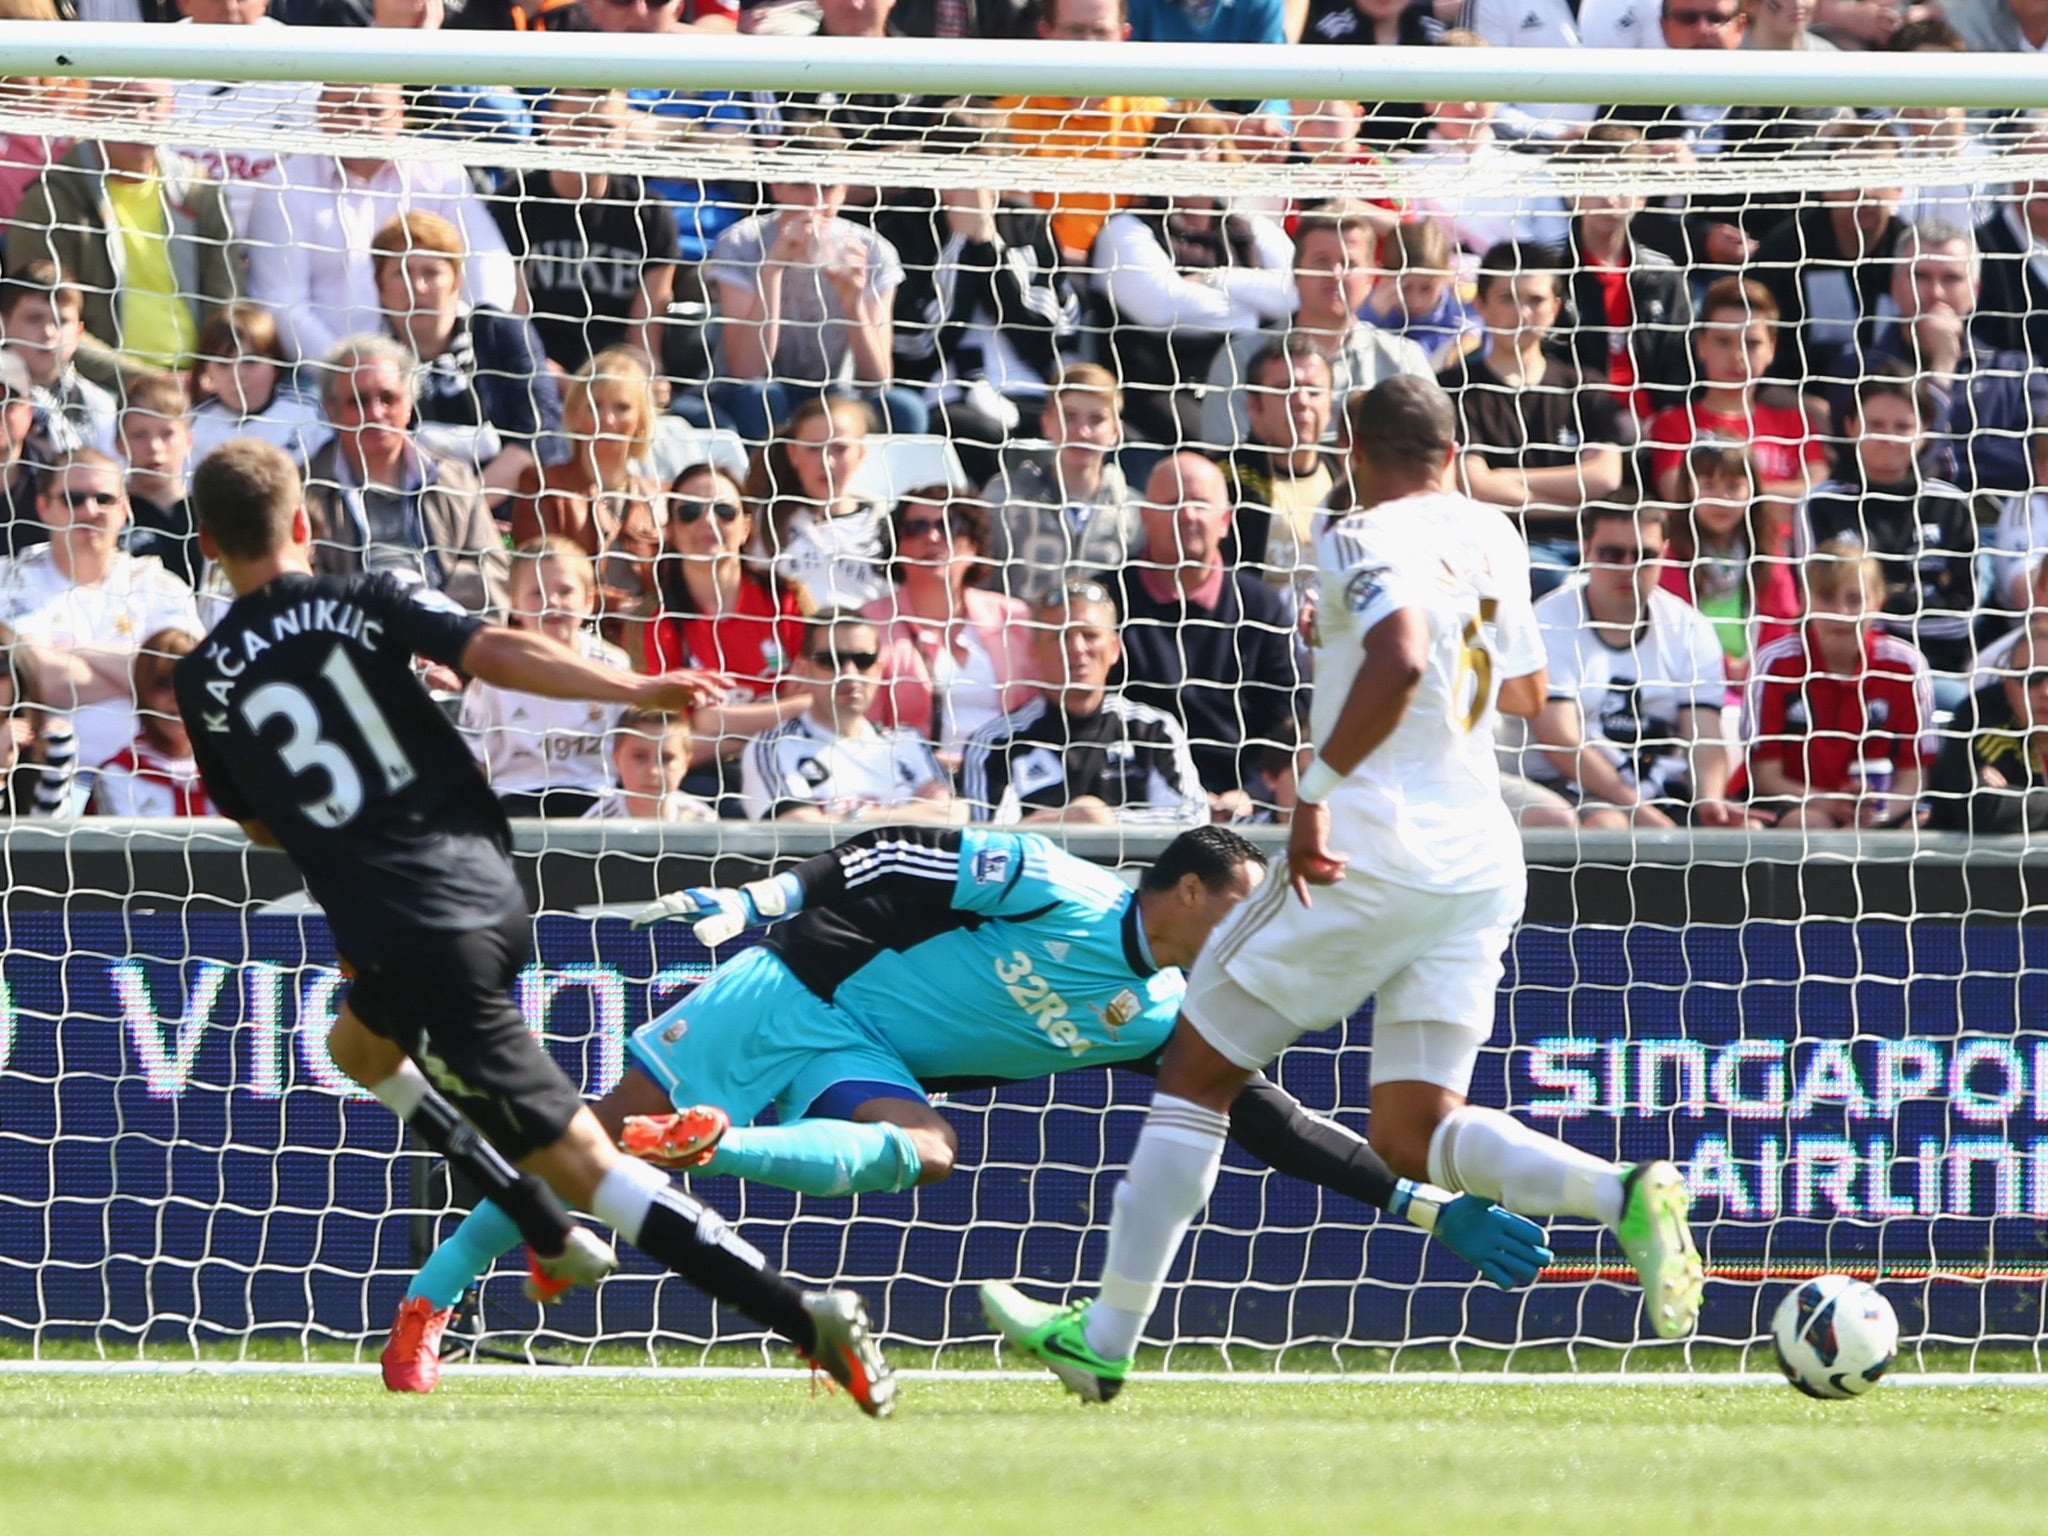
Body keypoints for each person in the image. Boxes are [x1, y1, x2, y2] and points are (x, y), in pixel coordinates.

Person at [981, 377, 1703, 1403]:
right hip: (1478, 859)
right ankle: (1619, 1191)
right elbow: (1526, 693)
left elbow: (1402, 657)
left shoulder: (1359, 533)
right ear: (1451, 453)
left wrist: (1314, 789)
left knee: (1193, 1068)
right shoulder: (1495, 538)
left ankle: (1103, 1339)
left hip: (1369, 848)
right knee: (1410, 1131)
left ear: (1355, 449)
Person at [174, 437, 893, 1415]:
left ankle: (795, 1311)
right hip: (484, 889)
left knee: (589, 1171)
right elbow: (498, 648)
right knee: (356, 1042)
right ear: (303, 522)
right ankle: (539, 1228)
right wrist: (630, 687)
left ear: (207, 541)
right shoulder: (363, 594)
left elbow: (260, 821)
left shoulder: (204, 677)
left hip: (419, 929)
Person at [387, 824, 1550, 1393]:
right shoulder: (1054, 882)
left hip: (862, 1052)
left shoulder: (1160, 1014)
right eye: (1239, 911)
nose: (1250, 937)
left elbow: (1263, 1123)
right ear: (1184, 890)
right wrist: (766, 891)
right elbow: (896, 854)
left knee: (925, 1149)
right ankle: (426, 1313)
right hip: (790, 986)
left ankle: (718, 1145)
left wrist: (1418, 1202)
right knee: (573, 1144)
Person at [246, 81, 517, 364]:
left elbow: (488, 265)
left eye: (375, 110)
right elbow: (281, 306)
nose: (362, 121)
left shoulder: (440, 170)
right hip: (326, 379)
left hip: (445, 363)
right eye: (347, 108)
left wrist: (484, 343)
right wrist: (353, 373)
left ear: (399, 113)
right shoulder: (282, 187)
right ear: (321, 111)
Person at [6, 77, 237, 387]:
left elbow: (228, 303)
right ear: (90, 107)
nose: (138, 117)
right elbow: (41, 327)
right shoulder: (50, 200)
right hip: (95, 389)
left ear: (171, 107)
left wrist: (210, 376)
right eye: (122, 101)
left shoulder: (200, 189)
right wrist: (150, 382)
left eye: (150, 103)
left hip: (205, 389)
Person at [1523, 502, 1742, 829]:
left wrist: (1710, 800)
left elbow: (1704, 734)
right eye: (1613, 553)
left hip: (1662, 787)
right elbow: (1561, 742)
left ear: (1664, 553)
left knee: (1743, 832)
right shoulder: (1548, 621)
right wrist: (1639, 811)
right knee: (1610, 828)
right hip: (1571, 785)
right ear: (1587, 550)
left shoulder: (1688, 625)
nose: (1628, 567)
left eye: (1643, 555)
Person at [703, 124, 924, 442]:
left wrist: (852, 303)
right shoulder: (742, 242)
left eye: (829, 187)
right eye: (802, 185)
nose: (815, 202)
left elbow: (877, 379)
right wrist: (773, 270)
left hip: (837, 395)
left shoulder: (873, 251)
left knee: (904, 409)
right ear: (777, 187)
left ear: (844, 190)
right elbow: (747, 370)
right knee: (762, 397)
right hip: (752, 392)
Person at [1108, 452, 1301, 814]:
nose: (1188, 516)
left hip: (1243, 804)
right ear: (1145, 517)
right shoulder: (1111, 602)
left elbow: (1287, 720)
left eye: (1199, 504)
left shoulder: (1261, 607)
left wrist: (1254, 791)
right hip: (1138, 803)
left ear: (1226, 520)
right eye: (1173, 503)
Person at [1089, 109, 1295, 447]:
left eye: (1201, 145)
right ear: (1153, 155)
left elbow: (1296, 291)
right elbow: (1163, 307)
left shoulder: (1246, 227)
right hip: (1161, 387)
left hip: (1245, 380)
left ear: (1221, 154)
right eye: (1175, 145)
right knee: (1217, 443)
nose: (1188, 157)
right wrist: (1256, 308)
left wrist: (1217, 279)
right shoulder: (1127, 228)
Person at [0, 448, 203, 779]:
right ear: (43, 507)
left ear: (124, 509)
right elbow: (34, 682)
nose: (89, 510)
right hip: (39, 785)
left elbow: (186, 679)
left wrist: (78, 652)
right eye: (73, 498)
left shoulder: (159, 584)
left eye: (104, 499)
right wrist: (145, 674)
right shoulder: (10, 579)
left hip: (152, 784)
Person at [1437, 241, 1627, 589]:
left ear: (1555, 308)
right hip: (1497, 552)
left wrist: (1507, 478)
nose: (1523, 313)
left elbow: (1605, 476)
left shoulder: (1584, 385)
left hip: (1588, 549)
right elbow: (1477, 486)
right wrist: (1574, 502)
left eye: (1535, 300)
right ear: (1480, 305)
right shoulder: (1455, 388)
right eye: (1507, 298)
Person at [962, 580, 1207, 826]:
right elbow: (990, 845)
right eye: (1060, 636)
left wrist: (1104, 820)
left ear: (1114, 649)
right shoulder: (995, 744)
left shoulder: (1154, 729)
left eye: (1090, 635)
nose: (1077, 649)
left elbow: (1192, 818)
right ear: (1033, 651)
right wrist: (1068, 821)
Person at [301, 333, 510, 616]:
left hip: (446, 643)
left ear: (409, 407)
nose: (375, 412)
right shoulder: (304, 489)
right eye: (358, 401)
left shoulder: (452, 478)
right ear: (331, 411)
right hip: (348, 645)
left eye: (388, 398)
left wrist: (446, 635)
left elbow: (492, 573)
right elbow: (302, 586)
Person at [1200, 207, 1432, 454]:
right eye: (1321, 261)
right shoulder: (1239, 360)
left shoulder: (1404, 361)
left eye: (1349, 263)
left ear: (1371, 278)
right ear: (1296, 274)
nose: (1335, 274)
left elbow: (1430, 455)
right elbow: (1223, 463)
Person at [1739, 538, 1933, 829]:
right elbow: (1764, 775)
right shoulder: (1775, 664)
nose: (1840, 612)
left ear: (1878, 601)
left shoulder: (1905, 666)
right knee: (1811, 825)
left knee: (1919, 825)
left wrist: (1874, 814)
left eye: (1855, 600)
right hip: (1799, 803)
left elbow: (1914, 775)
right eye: (1826, 598)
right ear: (1803, 599)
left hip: (1882, 808)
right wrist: (1829, 803)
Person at [1800, 368, 1978, 683]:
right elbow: (1819, 606)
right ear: (1852, 426)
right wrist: (1917, 600)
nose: (1888, 438)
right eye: (1876, 425)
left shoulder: (1951, 502)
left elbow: (1963, 618)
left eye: (1902, 426)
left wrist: (1876, 605)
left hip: (1938, 669)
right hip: (1844, 667)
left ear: (1923, 432)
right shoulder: (1820, 503)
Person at [372, 210, 560, 507]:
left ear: (456, 281)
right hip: (403, 511)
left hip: (504, 512)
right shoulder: (369, 357)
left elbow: (538, 434)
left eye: (431, 273)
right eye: (402, 273)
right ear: (380, 286)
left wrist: (468, 509)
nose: (417, 286)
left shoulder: (500, 332)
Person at [490, 87, 681, 373]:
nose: (592, 140)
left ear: (624, 133)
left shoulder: (650, 214)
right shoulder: (512, 206)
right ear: (548, 124)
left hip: (617, 380)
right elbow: (517, 332)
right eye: (579, 125)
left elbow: (643, 342)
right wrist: (563, 383)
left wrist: (636, 383)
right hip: (532, 374)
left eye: (606, 128)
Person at [645, 460, 811, 780]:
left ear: (746, 527)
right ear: (670, 531)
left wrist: (713, 722)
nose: (708, 522)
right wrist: (784, 712)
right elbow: (666, 744)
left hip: (793, 764)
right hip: (702, 779)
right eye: (690, 512)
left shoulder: (786, 598)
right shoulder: (654, 619)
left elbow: (820, 704)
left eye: (724, 511)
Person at [861, 490, 1038, 769]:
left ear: (974, 545)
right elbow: (861, 724)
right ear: (897, 545)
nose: (932, 537)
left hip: (1012, 772)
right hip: (911, 778)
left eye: (949, 526)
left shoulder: (1014, 617)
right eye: (916, 528)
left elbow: (1039, 709)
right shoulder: (869, 622)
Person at [459, 538, 632, 818]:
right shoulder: (494, 672)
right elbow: (475, 759)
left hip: (596, 796)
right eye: (536, 593)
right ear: (514, 604)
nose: (551, 602)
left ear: (588, 601)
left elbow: (632, 742)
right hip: (519, 796)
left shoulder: (611, 663)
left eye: (564, 591)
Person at [740, 611, 953, 823]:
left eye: (864, 660)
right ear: (803, 669)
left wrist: (845, 818)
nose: (849, 673)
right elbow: (799, 827)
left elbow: (954, 814)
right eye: (830, 660)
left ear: (879, 669)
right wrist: (915, 813)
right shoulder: (774, 746)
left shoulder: (908, 742)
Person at [507, 347, 662, 637]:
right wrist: (621, 605)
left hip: (648, 637)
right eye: (595, 406)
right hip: (570, 634)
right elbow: (536, 577)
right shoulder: (542, 486)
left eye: (622, 407)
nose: (608, 420)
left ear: (641, 420)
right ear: (575, 414)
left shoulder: (658, 497)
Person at [1645, 278, 1825, 505]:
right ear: (1701, 345)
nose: (1737, 355)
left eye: (1751, 343)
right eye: (1723, 342)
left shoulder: (1796, 424)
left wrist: (1730, 494)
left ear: (1771, 348)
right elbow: (1679, 494)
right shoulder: (1674, 425)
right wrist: (1776, 496)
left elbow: (1817, 489)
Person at [981, 364, 1142, 607]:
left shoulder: (1134, 513)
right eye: (1069, 417)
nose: (1082, 432)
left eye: (1096, 419)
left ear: (1115, 432)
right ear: (1047, 424)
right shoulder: (1003, 498)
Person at [1657, 442, 1798, 678]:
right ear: (1688, 489)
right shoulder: (1671, 551)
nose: (1721, 499)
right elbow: (1672, 624)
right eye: (1708, 486)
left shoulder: (1767, 550)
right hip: (1686, 675)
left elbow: (1782, 619)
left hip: (1756, 676)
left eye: (1733, 487)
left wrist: (1756, 666)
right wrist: (1723, 666)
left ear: (1752, 490)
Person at [1220, 336, 1341, 595]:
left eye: (1314, 390)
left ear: (1330, 402)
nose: (1302, 401)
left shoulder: (1348, 480)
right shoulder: (1224, 481)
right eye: (1285, 389)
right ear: (1253, 405)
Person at [751, 394, 891, 612]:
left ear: (861, 454)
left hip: (864, 640)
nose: (827, 462)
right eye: (814, 448)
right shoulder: (766, 520)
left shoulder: (885, 525)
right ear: (793, 453)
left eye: (840, 449)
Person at [1927, 615, 2048, 834]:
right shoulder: (1979, 715)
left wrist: (2018, 799)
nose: (2046, 692)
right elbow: (1983, 808)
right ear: (2008, 686)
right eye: (2031, 678)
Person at [186, 302, 331, 468]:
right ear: (207, 372)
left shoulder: (307, 413)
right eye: (224, 364)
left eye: (250, 362)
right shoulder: (195, 427)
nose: (238, 375)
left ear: (275, 366)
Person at [0, 264, 118, 462]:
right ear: (3, 325)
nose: (49, 333)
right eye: (34, 319)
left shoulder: (98, 405)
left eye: (61, 321)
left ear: (79, 333)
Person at [89, 629, 213, 817]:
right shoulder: (120, 775)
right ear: (142, 692)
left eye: (187, 683)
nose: (176, 696)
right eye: (163, 684)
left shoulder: (229, 770)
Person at [116, 371, 199, 587]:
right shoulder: (108, 514)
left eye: (167, 434)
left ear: (189, 441)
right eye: (140, 435)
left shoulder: (211, 514)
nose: (154, 447)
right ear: (119, 443)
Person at [581, 707, 716, 821]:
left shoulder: (703, 821)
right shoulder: (596, 824)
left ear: (685, 764)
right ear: (617, 759)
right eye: (640, 757)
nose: (653, 771)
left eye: (666, 759)